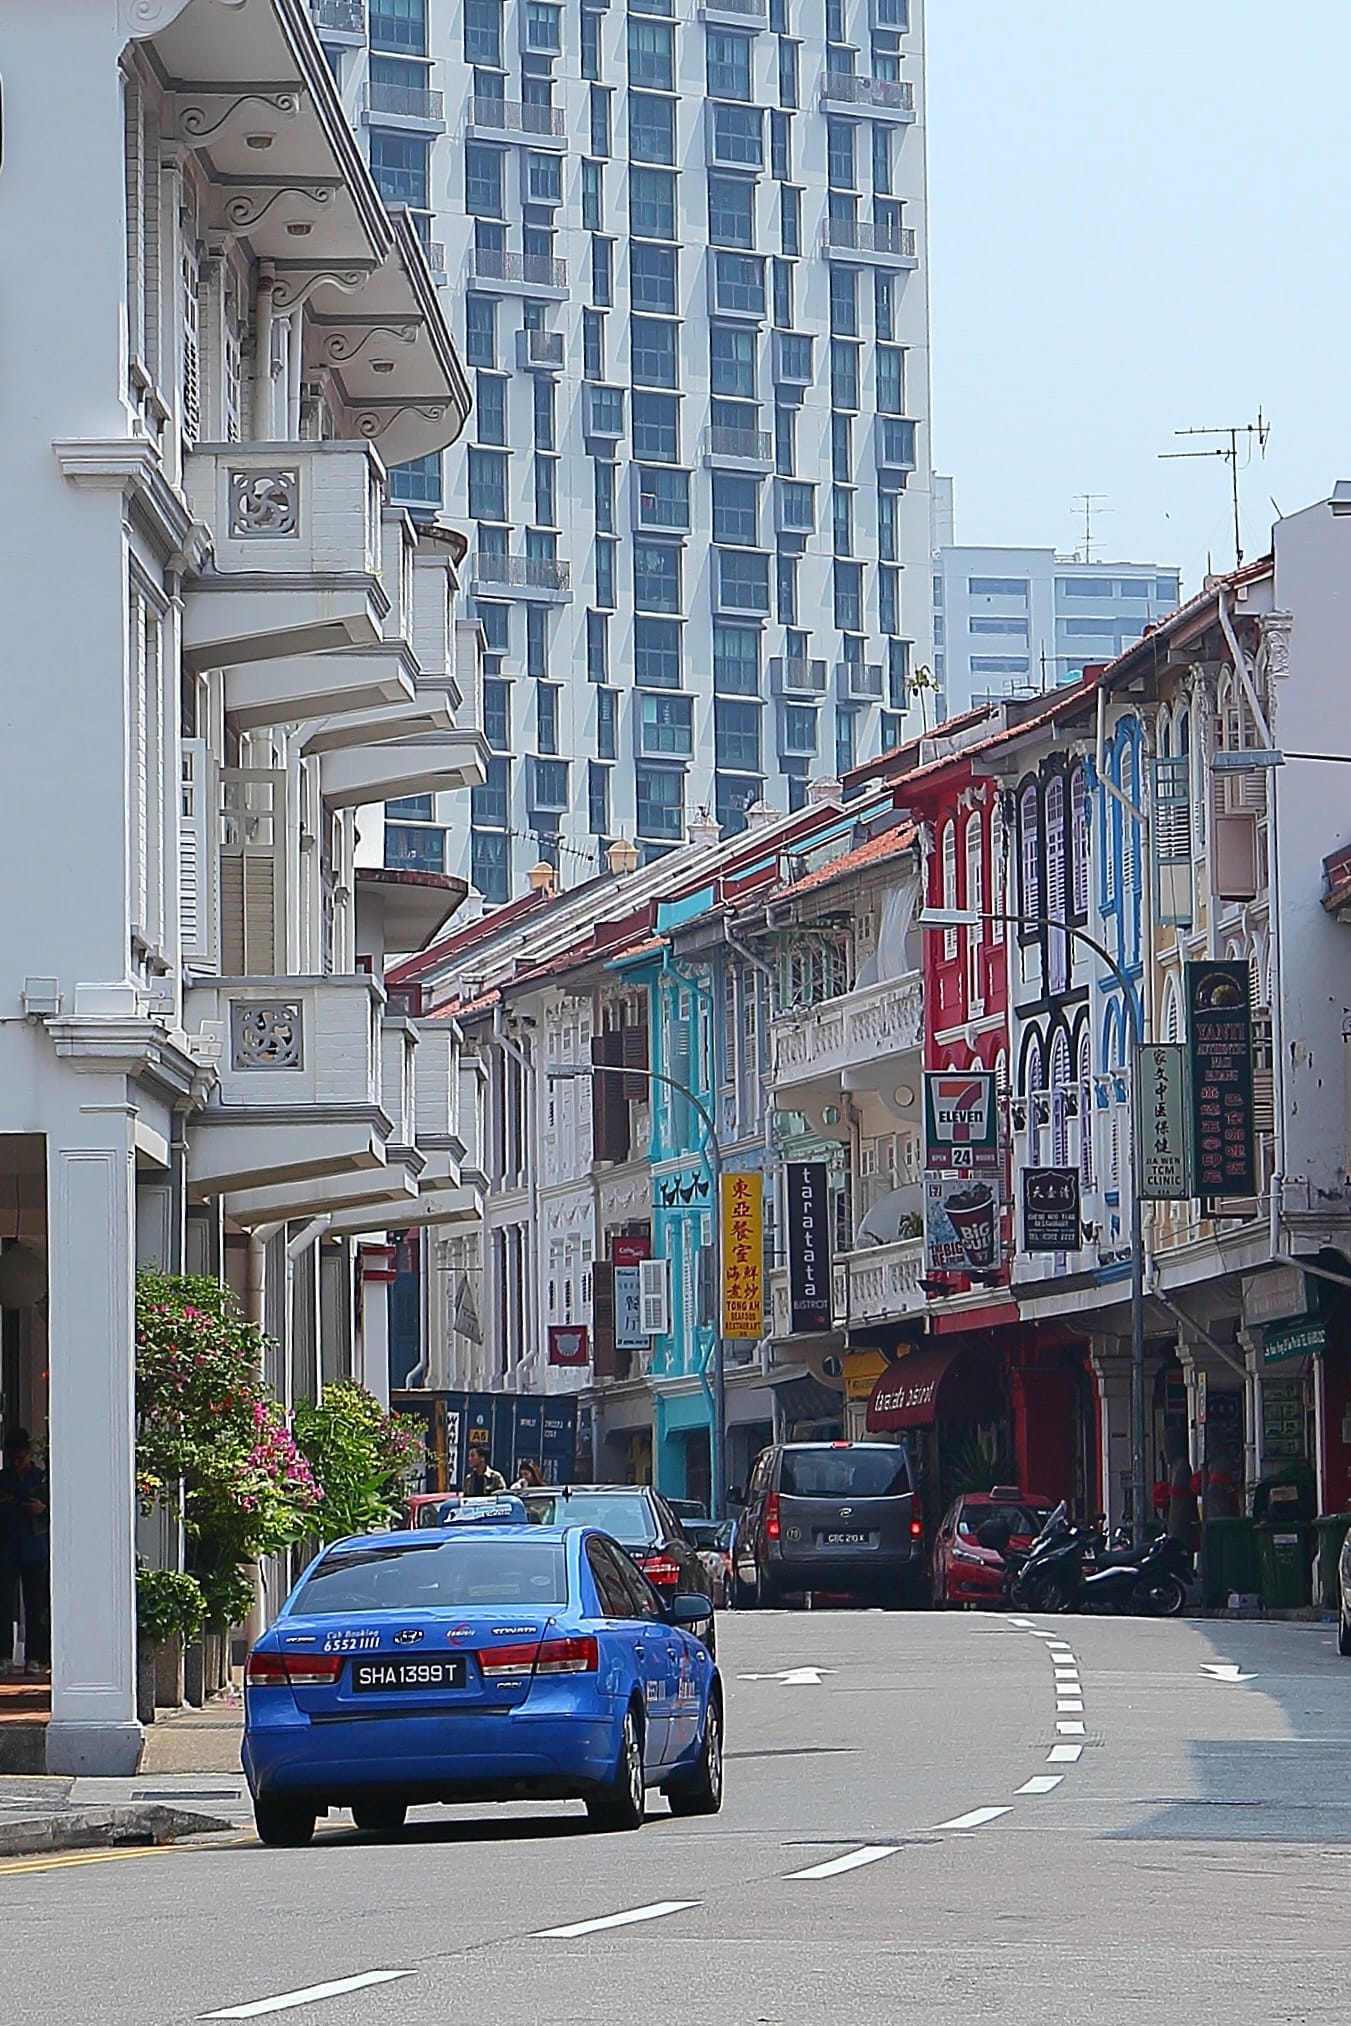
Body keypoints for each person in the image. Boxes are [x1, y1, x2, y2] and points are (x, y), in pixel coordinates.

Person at [0, 1430, 49, 1677]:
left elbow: (57, 1511)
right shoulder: (2, 1479)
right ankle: (4, 1656)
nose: (17, 1463)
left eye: (21, 1458)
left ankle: (34, 1658)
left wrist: (42, 1509)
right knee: (3, 1604)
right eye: (13, 1459)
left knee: (35, 1605)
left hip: (34, 1547)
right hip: (7, 1548)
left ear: (29, 1454)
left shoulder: (41, 1479)